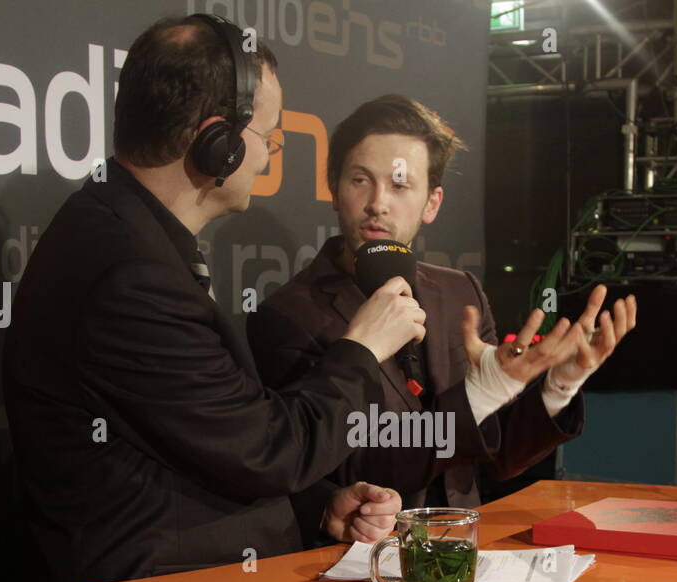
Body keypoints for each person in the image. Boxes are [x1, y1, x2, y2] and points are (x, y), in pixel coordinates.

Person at [3, 16, 430, 582]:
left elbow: (204, 441)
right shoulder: (132, 277)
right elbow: (266, 450)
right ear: (218, 141)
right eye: (267, 137)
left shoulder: (130, 238)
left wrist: (321, 505)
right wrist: (361, 350)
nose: (266, 158)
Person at [249, 95, 635, 510]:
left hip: (460, 550)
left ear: (431, 203)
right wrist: (479, 395)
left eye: (399, 185)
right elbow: (355, 464)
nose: (378, 203)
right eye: (361, 180)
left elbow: (498, 455)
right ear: (334, 189)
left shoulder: (459, 293)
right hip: (359, 558)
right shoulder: (290, 315)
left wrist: (561, 384)